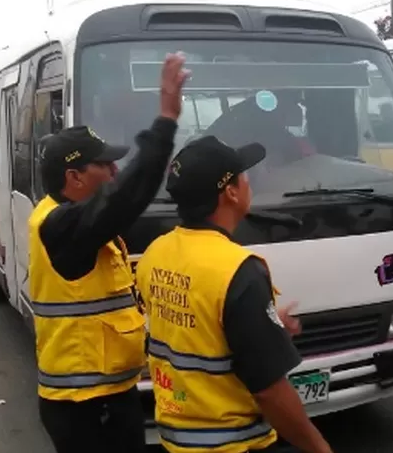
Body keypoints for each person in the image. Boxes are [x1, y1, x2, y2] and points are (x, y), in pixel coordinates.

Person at [28, 52, 189, 453]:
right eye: (106, 166)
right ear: (75, 177)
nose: (115, 172)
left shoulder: (77, 220)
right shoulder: (58, 225)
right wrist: (166, 119)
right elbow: (127, 195)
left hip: (107, 393)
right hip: (84, 405)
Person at [136, 135, 333, 453]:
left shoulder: (155, 254)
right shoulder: (238, 269)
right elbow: (270, 392)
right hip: (235, 443)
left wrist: (263, 328)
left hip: (177, 439)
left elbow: (194, 329)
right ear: (230, 192)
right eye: (244, 175)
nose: (249, 181)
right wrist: (319, 448)